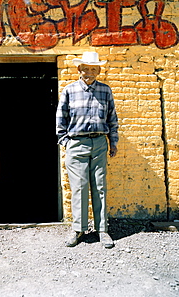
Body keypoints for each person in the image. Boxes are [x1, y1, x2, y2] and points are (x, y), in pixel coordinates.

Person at [56, 51, 118, 248]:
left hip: (99, 143)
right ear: (79, 69)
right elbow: (61, 118)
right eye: (86, 69)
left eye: (94, 69)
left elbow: (112, 118)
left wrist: (113, 141)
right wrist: (65, 141)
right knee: (79, 188)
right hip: (76, 144)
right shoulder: (69, 90)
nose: (89, 72)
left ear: (98, 70)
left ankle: (102, 230)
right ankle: (78, 229)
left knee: (99, 187)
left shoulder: (105, 91)